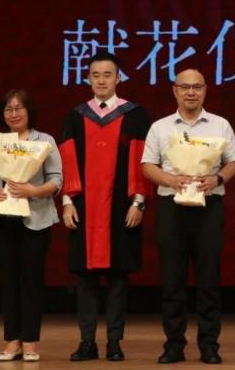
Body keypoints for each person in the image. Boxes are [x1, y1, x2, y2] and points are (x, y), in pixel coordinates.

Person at [142, 68, 235, 365]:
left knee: (209, 280)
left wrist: (216, 179)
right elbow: (148, 165)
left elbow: (233, 163)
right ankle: (174, 345)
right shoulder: (160, 127)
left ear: (205, 90)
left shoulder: (220, 125)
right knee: (172, 281)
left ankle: (209, 345)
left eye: (197, 87)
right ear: (174, 90)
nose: (191, 92)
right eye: (185, 87)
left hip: (209, 207)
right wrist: (171, 180)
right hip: (172, 208)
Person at [59, 52, 151, 362]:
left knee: (117, 280)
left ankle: (114, 342)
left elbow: (142, 161)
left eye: (107, 74)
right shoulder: (75, 116)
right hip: (83, 208)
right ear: (88, 78)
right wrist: (67, 201)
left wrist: (139, 201)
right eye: (95, 75)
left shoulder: (135, 115)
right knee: (84, 280)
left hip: (121, 208)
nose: (101, 80)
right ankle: (87, 342)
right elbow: (67, 160)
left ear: (118, 78)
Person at [0, 89, 62, 362]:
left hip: (35, 220)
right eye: (8, 109)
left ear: (29, 111)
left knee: (31, 281)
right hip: (2, 219)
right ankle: (12, 341)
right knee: (8, 282)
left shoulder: (45, 141)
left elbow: (57, 179)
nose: (13, 114)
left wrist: (33, 191)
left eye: (19, 108)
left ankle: (30, 342)